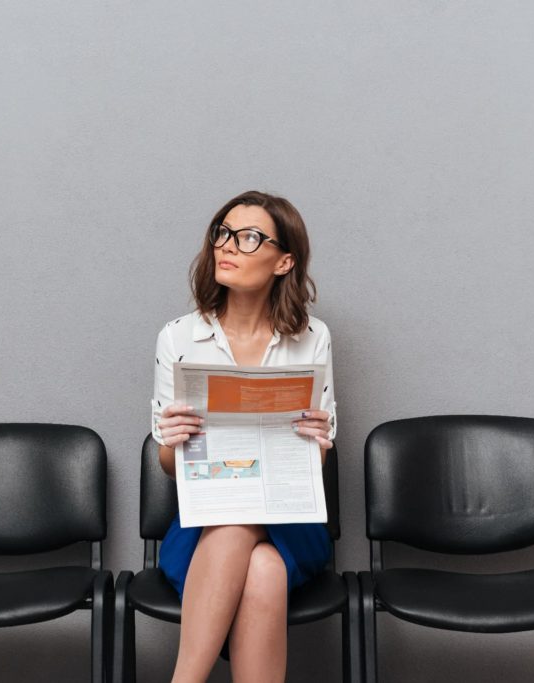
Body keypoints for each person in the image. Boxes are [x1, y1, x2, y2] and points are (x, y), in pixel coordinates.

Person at [151, 190, 337, 682]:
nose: (228, 246)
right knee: (262, 568)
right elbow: (170, 466)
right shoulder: (178, 337)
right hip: (202, 522)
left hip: (288, 517)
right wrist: (171, 442)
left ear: (284, 261)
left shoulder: (313, 338)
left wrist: (317, 443)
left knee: (250, 538)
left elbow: (314, 462)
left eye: (250, 237)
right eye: (223, 232)